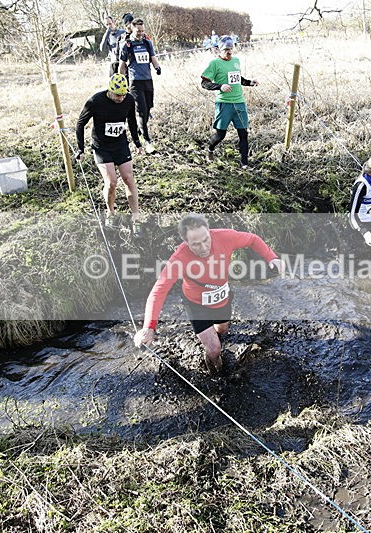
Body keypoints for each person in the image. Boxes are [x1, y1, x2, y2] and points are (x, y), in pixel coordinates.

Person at [133, 214, 283, 373]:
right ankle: (215, 369)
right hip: (196, 304)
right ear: (186, 242)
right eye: (196, 244)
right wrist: (149, 327)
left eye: (206, 240)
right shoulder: (180, 258)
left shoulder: (225, 237)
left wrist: (271, 257)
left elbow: (252, 239)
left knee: (223, 330)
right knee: (214, 349)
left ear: (209, 232)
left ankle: (213, 341)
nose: (203, 247)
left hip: (221, 297)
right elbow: (158, 291)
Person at [75, 73, 145, 237]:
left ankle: (136, 219)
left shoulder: (128, 100)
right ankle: (110, 213)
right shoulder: (95, 101)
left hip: (120, 145)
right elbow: (80, 124)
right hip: (102, 147)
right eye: (117, 95)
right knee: (112, 182)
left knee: (128, 179)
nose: (121, 98)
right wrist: (81, 149)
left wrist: (137, 142)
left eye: (123, 94)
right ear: (110, 90)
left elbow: (132, 122)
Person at [201, 36, 258, 169]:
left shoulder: (236, 61)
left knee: (243, 134)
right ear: (219, 50)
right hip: (224, 104)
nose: (229, 52)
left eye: (231, 49)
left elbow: (237, 79)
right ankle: (210, 149)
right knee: (221, 135)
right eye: (226, 49)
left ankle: (244, 164)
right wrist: (220, 86)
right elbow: (204, 83)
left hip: (239, 103)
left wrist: (250, 82)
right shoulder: (214, 64)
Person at [119, 18, 161, 154]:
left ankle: (137, 131)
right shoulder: (127, 45)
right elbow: (122, 65)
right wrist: (121, 81)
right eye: (138, 31)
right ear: (132, 28)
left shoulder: (147, 42)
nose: (140, 33)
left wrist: (157, 67)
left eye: (142, 31)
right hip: (135, 82)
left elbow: (152, 57)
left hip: (147, 80)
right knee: (141, 111)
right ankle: (147, 141)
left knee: (148, 109)